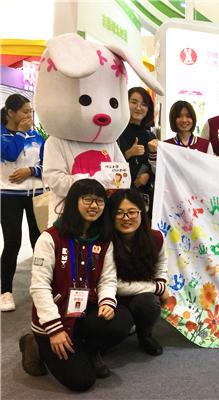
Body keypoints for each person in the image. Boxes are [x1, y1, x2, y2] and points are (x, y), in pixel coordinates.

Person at [20, 179, 133, 391]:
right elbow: (39, 287)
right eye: (87, 199)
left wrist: (107, 302)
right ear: (74, 201)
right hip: (54, 319)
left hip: (83, 312)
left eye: (99, 201)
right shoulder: (50, 238)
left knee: (121, 320)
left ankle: (88, 349)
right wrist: (54, 330)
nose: (94, 205)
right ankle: (33, 343)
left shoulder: (104, 240)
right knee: (82, 381)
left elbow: (107, 278)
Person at [109, 189, 169, 356]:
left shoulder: (155, 238)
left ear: (142, 212)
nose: (126, 218)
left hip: (141, 296)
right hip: (112, 298)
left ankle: (145, 335)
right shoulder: (105, 242)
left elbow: (162, 263)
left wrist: (161, 281)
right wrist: (158, 288)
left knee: (149, 303)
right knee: (117, 327)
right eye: (119, 213)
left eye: (132, 212)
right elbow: (113, 285)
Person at [1, 94, 45, 312]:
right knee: (12, 243)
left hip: (37, 195)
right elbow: (9, 154)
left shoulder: (37, 136)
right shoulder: (2, 134)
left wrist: (31, 170)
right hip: (9, 196)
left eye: (31, 111)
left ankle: (41, 287)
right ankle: (5, 292)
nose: (29, 115)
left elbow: (48, 165)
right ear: (11, 112)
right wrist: (19, 133)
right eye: (25, 111)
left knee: (41, 241)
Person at [117, 87, 158, 213]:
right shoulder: (115, 131)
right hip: (120, 194)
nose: (139, 108)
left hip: (145, 196)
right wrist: (129, 153)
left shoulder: (150, 136)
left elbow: (157, 166)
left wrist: (148, 175)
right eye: (134, 102)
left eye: (144, 104)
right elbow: (107, 163)